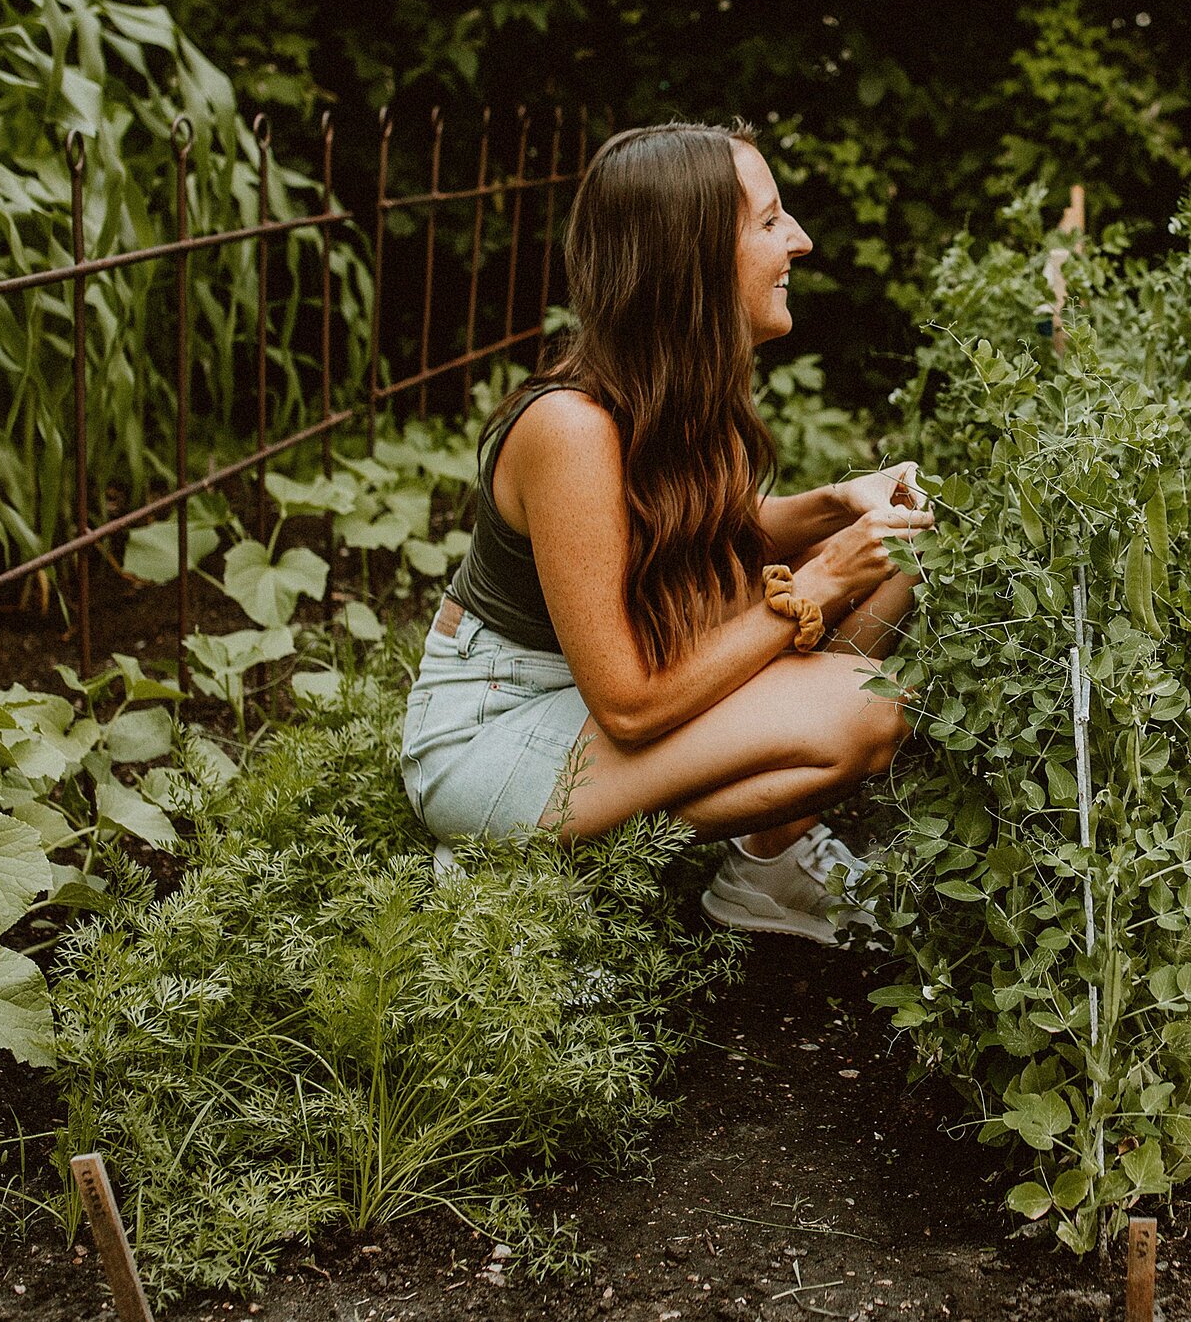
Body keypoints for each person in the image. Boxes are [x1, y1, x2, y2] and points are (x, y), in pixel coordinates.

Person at [399, 121, 931, 946]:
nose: (799, 239)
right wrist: (816, 586)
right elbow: (631, 706)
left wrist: (839, 503)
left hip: (592, 699)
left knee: (896, 553)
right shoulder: (569, 429)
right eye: (767, 221)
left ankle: (768, 860)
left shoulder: (678, 383)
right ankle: (517, 863)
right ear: (690, 261)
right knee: (864, 713)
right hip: (496, 728)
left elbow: (712, 530)